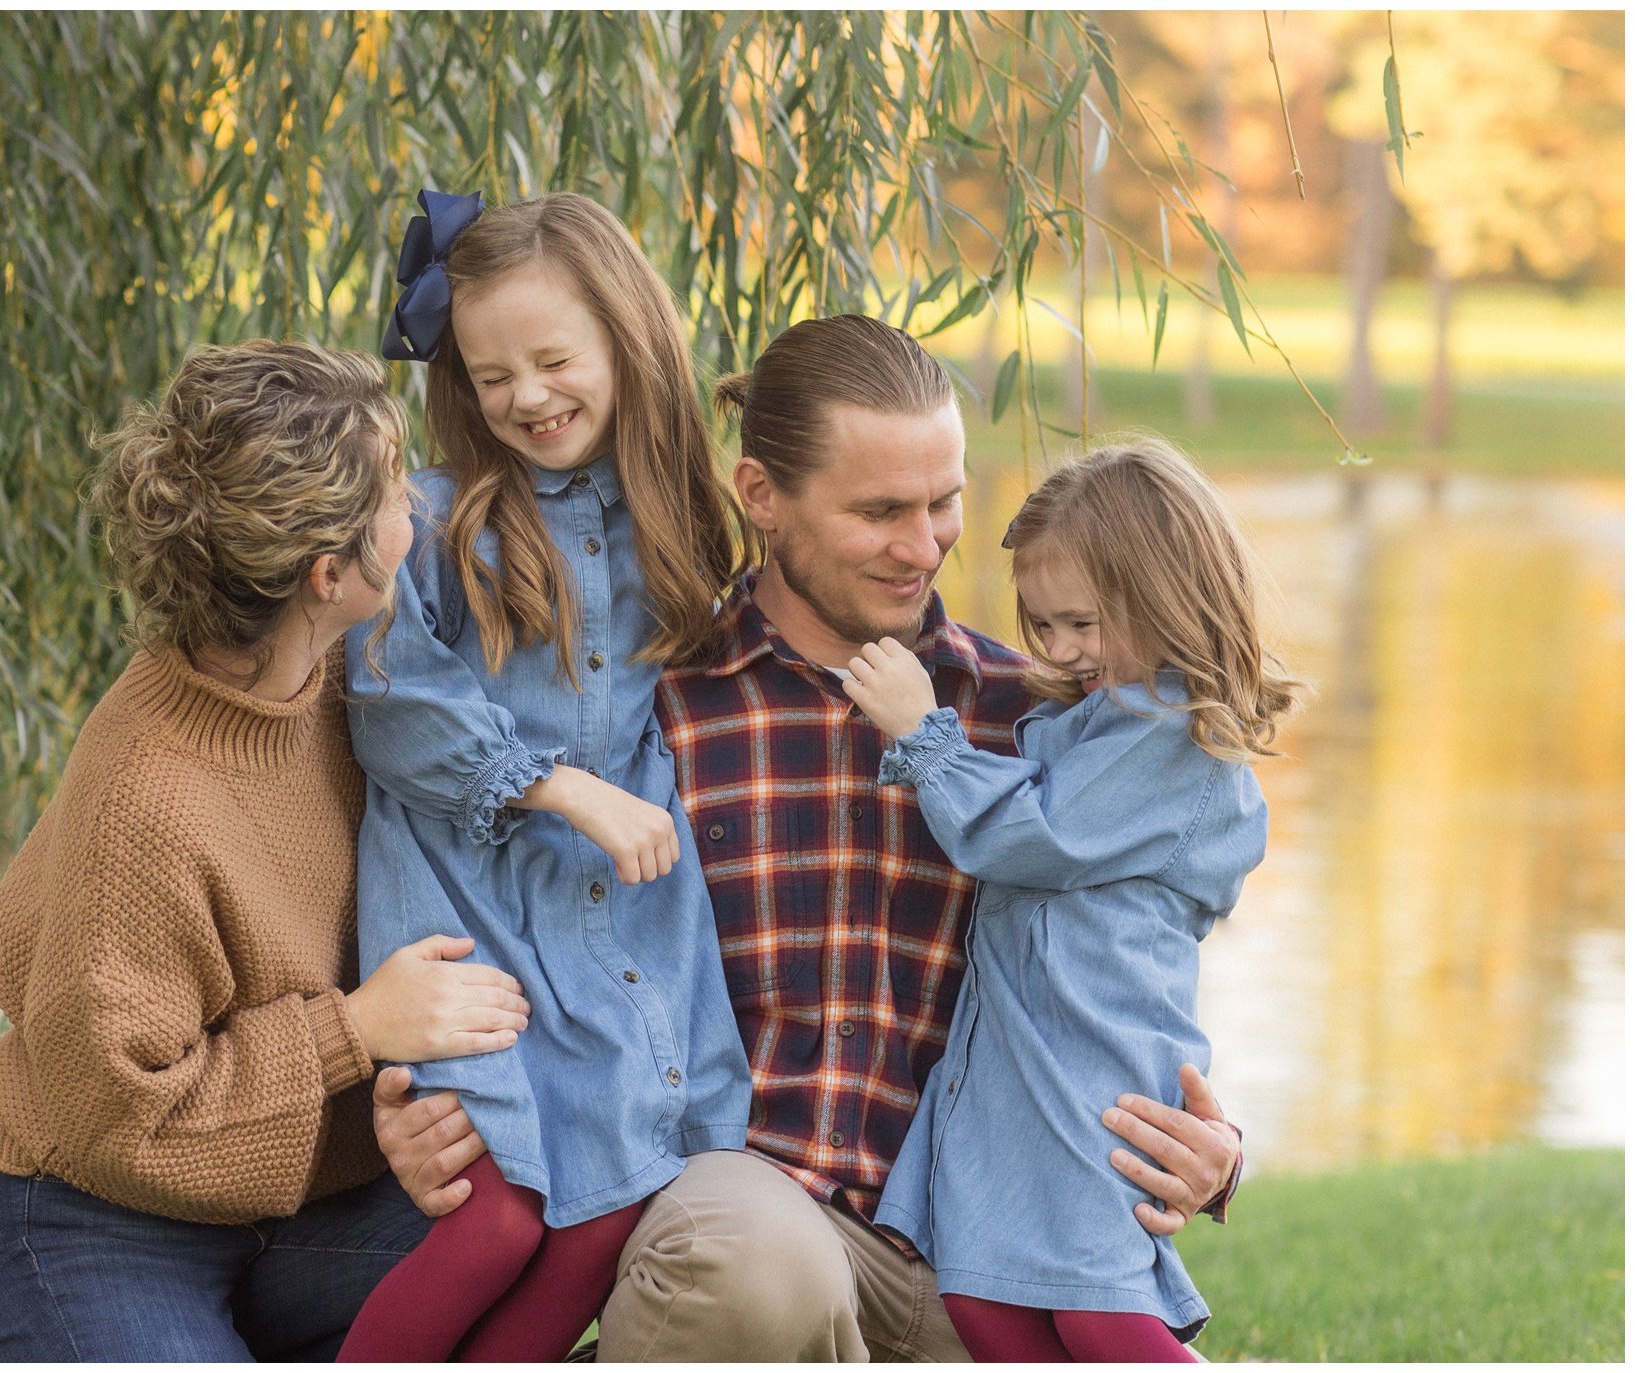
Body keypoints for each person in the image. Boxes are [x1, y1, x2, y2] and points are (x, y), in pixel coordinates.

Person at [373, 315, 1246, 1361]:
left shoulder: (1042, 717)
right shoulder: (649, 714)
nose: (923, 545)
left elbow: (1130, 970)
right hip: (753, 1205)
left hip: (973, 1232)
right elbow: (526, 934)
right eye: (879, 510)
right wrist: (443, 1116)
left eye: (943, 501)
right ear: (760, 497)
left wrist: (1218, 1150)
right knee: (753, 1266)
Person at [0, 340, 532, 1362]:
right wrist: (353, 1031)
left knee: (566, 1194)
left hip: (313, 1195)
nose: (420, 508)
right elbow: (118, 1117)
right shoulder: (148, 795)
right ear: (327, 574)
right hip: (92, 1212)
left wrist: (399, 1098)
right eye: (396, 492)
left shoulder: (365, 676)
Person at [333, 189, 755, 1362]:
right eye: (488, 372)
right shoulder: (430, 523)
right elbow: (389, 701)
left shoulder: (677, 525)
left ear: (628, 341)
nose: (525, 396)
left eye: (554, 360)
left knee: (611, 1208)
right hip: (469, 917)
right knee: (496, 1218)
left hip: (618, 915)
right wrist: (560, 787)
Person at [850, 437, 1302, 1360]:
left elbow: (1029, 835)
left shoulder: (1173, 727)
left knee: (1098, 1312)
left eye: (1082, 624)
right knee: (987, 1306)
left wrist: (921, 732)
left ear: (1165, 596)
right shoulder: (1090, 714)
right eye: (1042, 625)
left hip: (1093, 1081)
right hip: (1015, 1077)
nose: (1058, 650)